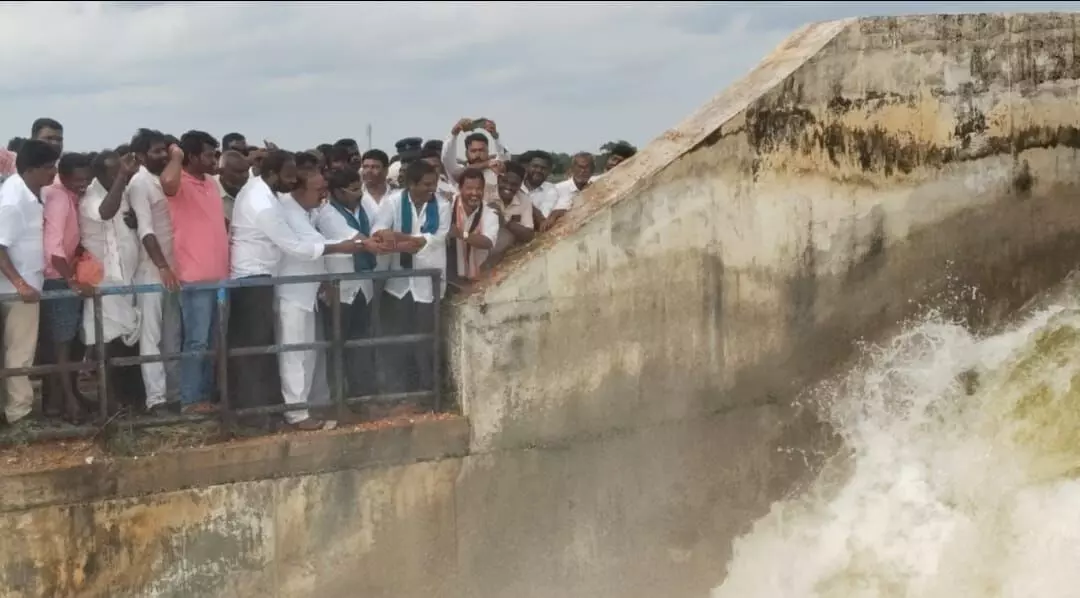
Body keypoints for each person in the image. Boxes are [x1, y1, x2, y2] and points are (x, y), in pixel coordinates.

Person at [228, 150, 368, 432]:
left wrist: (361, 243)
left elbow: (329, 230)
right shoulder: (269, 204)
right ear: (271, 174)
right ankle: (291, 416)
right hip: (262, 279)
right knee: (287, 354)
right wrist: (340, 247)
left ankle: (281, 414)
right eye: (290, 177)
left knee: (297, 353)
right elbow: (297, 246)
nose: (291, 183)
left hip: (283, 283)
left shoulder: (277, 198)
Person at [277, 171, 372, 430]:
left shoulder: (315, 208)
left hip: (311, 291)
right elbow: (311, 244)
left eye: (324, 189)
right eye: (318, 189)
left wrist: (367, 242)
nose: (324, 195)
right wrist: (348, 246)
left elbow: (340, 229)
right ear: (299, 189)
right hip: (291, 292)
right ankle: (296, 415)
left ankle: (312, 406)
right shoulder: (287, 210)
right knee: (295, 354)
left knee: (311, 352)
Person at [161, 131, 230, 414]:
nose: (214, 160)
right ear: (191, 157)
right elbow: (166, 182)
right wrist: (175, 156)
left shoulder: (211, 183)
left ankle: (203, 397)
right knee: (196, 341)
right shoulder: (180, 183)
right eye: (209, 154)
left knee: (213, 342)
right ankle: (190, 400)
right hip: (194, 277)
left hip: (220, 275)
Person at [372, 160, 450, 395]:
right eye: (426, 184)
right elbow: (380, 234)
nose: (431, 189)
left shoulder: (442, 205)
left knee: (426, 341)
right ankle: (398, 392)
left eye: (434, 184)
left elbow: (435, 239)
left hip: (428, 284)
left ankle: (428, 392)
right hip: (398, 284)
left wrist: (402, 239)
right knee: (398, 340)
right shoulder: (393, 202)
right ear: (411, 184)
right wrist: (410, 240)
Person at [0, 140, 59, 426]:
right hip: (16, 291)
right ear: (32, 169)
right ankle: (19, 414)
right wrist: (20, 283)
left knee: (18, 352)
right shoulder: (14, 200)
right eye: (49, 167)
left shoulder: (30, 193)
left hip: (24, 287)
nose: (54, 172)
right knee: (20, 353)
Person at [80, 150, 144, 409]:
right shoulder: (90, 198)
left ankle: (130, 400)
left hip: (126, 280)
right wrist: (122, 178)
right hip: (103, 283)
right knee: (105, 341)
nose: (120, 174)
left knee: (127, 341)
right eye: (113, 171)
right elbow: (106, 211)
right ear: (99, 174)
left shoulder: (124, 192)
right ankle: (110, 402)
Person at [314, 168, 385, 399]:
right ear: (337, 192)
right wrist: (374, 242)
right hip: (339, 290)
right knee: (338, 344)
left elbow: (379, 224)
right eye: (352, 190)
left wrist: (383, 236)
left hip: (363, 286)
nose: (358, 194)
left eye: (359, 188)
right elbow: (354, 238)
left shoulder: (364, 208)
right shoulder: (327, 214)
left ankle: (362, 394)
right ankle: (338, 397)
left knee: (362, 342)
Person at [128, 128, 182, 414]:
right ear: (140, 155)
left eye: (165, 150)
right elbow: (146, 231)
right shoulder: (140, 183)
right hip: (153, 270)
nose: (163, 156)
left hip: (174, 269)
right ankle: (156, 400)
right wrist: (161, 266)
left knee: (172, 336)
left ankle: (174, 394)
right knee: (151, 338)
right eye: (157, 151)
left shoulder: (165, 181)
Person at [41, 152, 95, 422]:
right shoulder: (59, 199)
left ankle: (64, 400)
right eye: (78, 179)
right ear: (63, 176)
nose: (83, 184)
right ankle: (68, 404)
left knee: (70, 343)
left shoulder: (71, 196)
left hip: (64, 275)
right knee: (61, 345)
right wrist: (72, 281)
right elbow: (53, 250)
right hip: (57, 278)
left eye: (87, 179)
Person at [440, 118, 511, 202]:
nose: (478, 154)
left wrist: (495, 136)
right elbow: (446, 157)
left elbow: (505, 156)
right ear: (466, 153)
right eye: (473, 151)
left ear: (488, 151)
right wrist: (454, 133)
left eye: (481, 150)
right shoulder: (458, 172)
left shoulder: (495, 169)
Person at [447, 168, 497, 284]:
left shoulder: (489, 212)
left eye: (478, 189)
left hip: (477, 276)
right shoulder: (447, 205)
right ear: (460, 188)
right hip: (448, 274)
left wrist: (461, 234)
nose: (474, 193)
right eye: (469, 188)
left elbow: (488, 242)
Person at [482, 161, 535, 270]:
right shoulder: (485, 191)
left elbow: (529, 234)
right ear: (498, 179)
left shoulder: (524, 200)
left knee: (508, 236)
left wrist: (504, 221)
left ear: (520, 185)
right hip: (478, 238)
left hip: (501, 248)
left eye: (514, 184)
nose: (508, 187)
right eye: (505, 181)